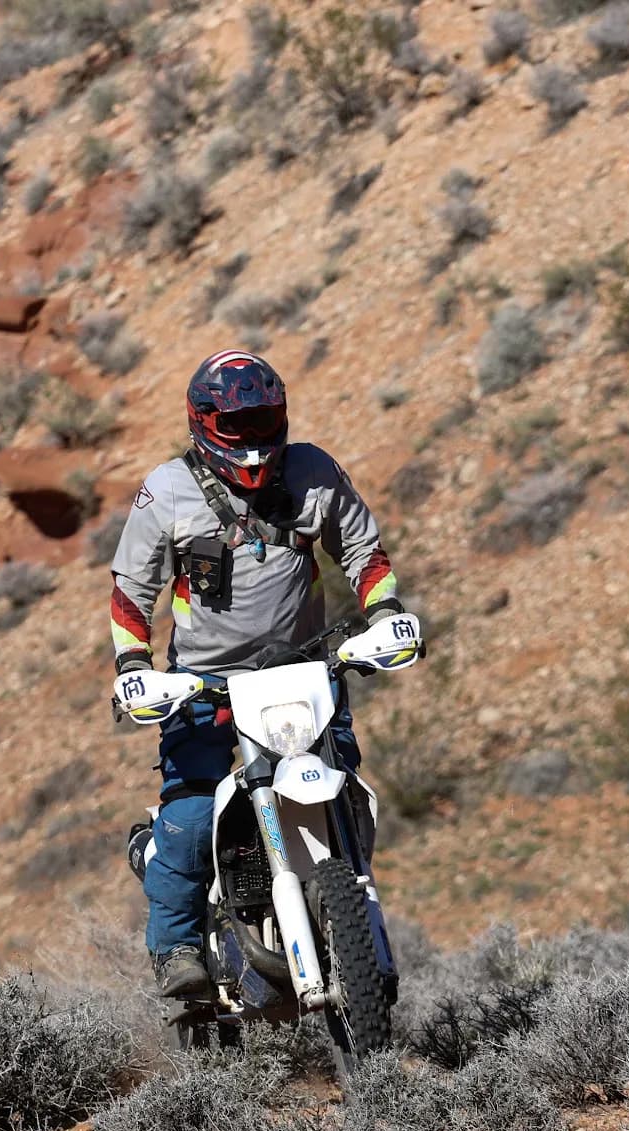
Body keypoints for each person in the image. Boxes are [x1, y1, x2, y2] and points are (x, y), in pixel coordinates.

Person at [108, 350, 407, 998]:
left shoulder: (314, 472)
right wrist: (133, 667)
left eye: (265, 419)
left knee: (343, 795)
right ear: (205, 423)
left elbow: (363, 552)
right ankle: (178, 950)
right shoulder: (167, 490)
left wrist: (385, 615)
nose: (252, 438)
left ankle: (346, 926)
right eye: (237, 425)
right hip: (205, 686)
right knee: (188, 820)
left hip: (304, 673)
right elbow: (132, 589)